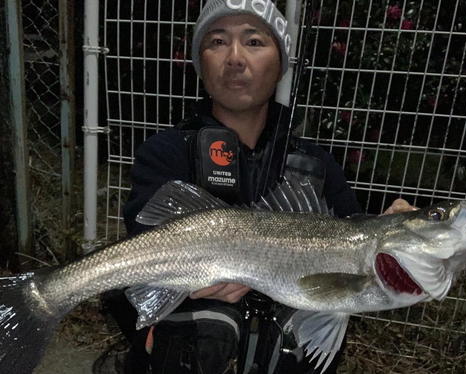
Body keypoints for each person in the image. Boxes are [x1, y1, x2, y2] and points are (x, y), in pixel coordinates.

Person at [112, 0, 417, 373]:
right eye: (217, 42)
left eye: (254, 42)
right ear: (201, 64)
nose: (235, 58)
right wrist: (181, 281)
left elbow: (351, 242)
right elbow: (144, 248)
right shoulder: (166, 152)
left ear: (281, 65)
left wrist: (395, 236)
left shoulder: (317, 165)